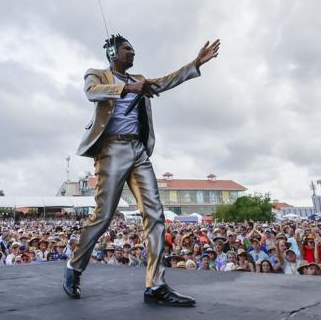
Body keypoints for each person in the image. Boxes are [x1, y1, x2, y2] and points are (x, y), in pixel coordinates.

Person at [63, 34, 220, 307]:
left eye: (133, 49)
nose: (132, 52)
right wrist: (126, 89)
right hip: (111, 150)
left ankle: (155, 285)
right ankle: (74, 267)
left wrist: (196, 63)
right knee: (103, 216)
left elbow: (166, 81)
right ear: (113, 52)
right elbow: (91, 93)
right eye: (127, 49)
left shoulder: (140, 79)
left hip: (138, 150)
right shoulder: (97, 75)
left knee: (155, 215)